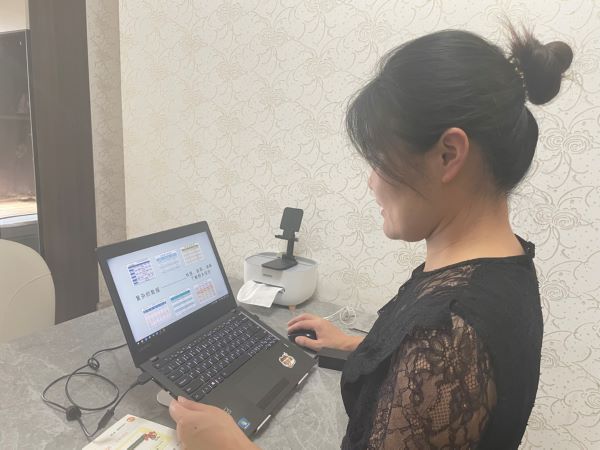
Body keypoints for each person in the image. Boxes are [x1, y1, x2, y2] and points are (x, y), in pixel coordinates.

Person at [169, 25, 573, 449]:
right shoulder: (499, 268)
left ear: (448, 155)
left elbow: (437, 368)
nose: (372, 182)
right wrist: (362, 347)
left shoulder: (446, 342)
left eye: (380, 161)